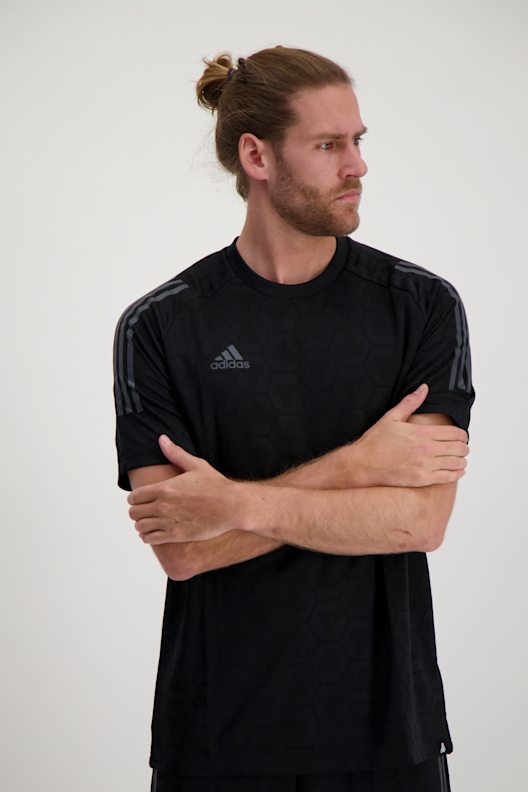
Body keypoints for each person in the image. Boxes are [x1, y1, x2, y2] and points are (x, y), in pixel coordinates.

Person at [112, 46, 475, 792]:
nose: (358, 166)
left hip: (389, 731)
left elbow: (419, 523)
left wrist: (234, 504)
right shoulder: (161, 327)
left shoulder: (421, 307)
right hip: (215, 737)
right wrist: (355, 468)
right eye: (328, 145)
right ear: (257, 156)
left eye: (357, 141)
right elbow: (183, 552)